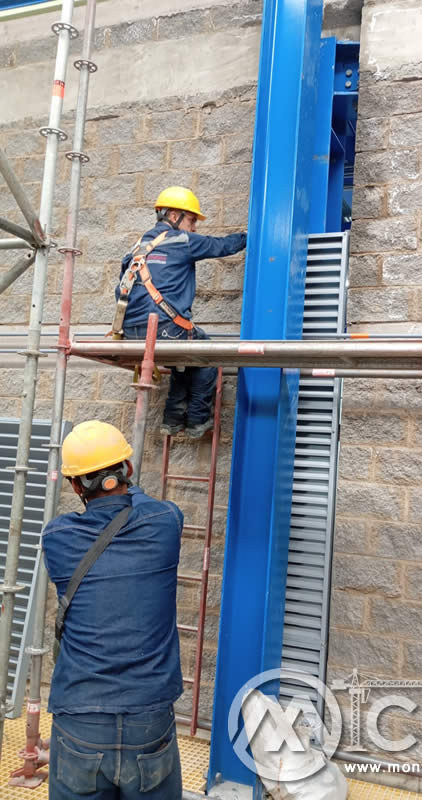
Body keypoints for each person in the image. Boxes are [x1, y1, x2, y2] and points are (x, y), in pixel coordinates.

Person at [42, 420, 184, 799]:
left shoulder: (57, 538)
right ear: (129, 469)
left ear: (75, 486)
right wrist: (120, 483)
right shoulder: (166, 522)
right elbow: (142, 501)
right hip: (148, 716)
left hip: (80, 714)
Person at [115, 186, 247, 438]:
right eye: (192, 220)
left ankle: (172, 420)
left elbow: (121, 291)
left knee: (182, 363)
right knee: (208, 355)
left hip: (130, 334)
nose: (194, 227)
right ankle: (197, 420)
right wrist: (249, 236)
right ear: (174, 216)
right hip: (165, 329)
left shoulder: (136, 249)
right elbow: (221, 246)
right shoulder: (181, 240)